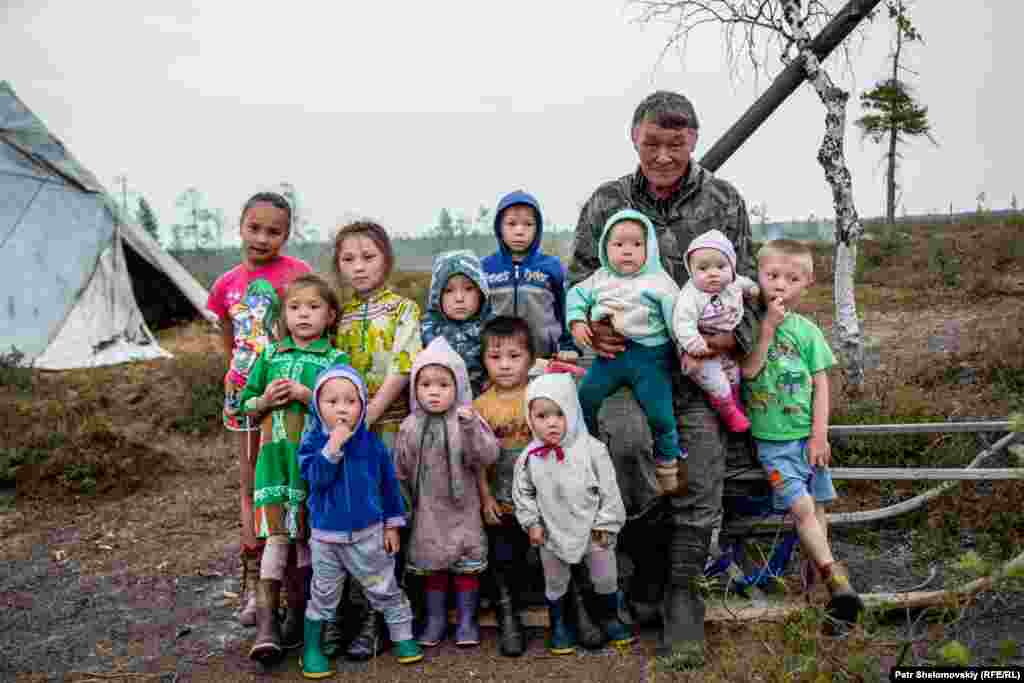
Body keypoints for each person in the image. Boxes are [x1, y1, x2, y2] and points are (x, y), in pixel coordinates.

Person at [567, 90, 757, 665]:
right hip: (626, 371)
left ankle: (682, 594)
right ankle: (643, 575)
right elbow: (579, 280)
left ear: (694, 141)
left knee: (702, 467)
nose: (664, 155)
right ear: (634, 138)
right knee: (626, 447)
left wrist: (729, 341)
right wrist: (591, 330)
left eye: (677, 144)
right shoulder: (607, 201)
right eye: (652, 143)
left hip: (699, 374)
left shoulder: (724, 200)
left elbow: (749, 286)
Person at [740, 239, 863, 624]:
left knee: (817, 510)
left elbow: (821, 385)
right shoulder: (749, 326)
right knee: (801, 507)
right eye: (772, 275)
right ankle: (836, 578)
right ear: (758, 276)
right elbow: (749, 372)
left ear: (806, 284)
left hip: (807, 440)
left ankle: (818, 587)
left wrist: (819, 436)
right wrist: (767, 329)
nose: (780, 284)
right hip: (771, 447)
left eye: (792, 279)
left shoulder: (807, 332)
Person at [207, 191, 311, 628]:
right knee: (251, 483)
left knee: (291, 481)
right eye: (255, 228)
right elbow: (227, 334)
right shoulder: (225, 284)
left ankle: (298, 582)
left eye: (274, 231)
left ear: (286, 235)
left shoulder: (298, 274)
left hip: (287, 390)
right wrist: (238, 375)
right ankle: (256, 583)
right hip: (245, 395)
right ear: (240, 225)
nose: (262, 238)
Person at [238, 273, 348, 664]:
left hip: (313, 466)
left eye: (313, 307)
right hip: (273, 465)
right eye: (295, 307)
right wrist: (265, 400)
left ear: (330, 316)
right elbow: (244, 405)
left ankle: (301, 618)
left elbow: (346, 407)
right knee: (277, 538)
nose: (303, 314)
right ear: (284, 314)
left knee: (306, 539)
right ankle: (268, 626)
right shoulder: (270, 356)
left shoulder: (334, 360)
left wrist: (309, 395)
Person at [331, 219, 423, 659]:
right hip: (346, 433)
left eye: (368, 257)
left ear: (385, 259)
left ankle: (381, 616)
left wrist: (369, 413)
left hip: (388, 427)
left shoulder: (404, 310)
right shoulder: (339, 316)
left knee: (390, 515)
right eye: (348, 259)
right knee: (355, 515)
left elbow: (403, 364)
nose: (359, 266)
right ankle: (349, 610)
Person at [297, 362, 424, 677]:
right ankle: (312, 649)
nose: (342, 409)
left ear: (363, 405)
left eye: (351, 401)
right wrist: (332, 448)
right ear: (318, 406)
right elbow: (316, 479)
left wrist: (392, 525)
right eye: (332, 401)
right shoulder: (312, 444)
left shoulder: (372, 445)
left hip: (368, 533)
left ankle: (403, 637)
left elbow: (388, 487)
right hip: (327, 538)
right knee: (324, 594)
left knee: (384, 586)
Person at [512, 373, 634, 655]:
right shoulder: (530, 457)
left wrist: (607, 523)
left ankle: (609, 617)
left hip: (594, 529)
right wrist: (532, 523)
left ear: (572, 411)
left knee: (605, 576)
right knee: (555, 581)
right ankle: (559, 623)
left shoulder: (592, 450)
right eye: (542, 416)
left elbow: (609, 490)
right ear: (530, 418)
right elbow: (523, 493)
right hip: (552, 531)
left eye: (559, 414)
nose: (552, 422)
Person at [566, 208, 684, 496]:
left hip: (649, 358)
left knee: (661, 414)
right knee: (585, 398)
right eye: (618, 244)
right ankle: (588, 449)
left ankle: (667, 464)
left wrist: (683, 348)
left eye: (636, 244)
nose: (627, 251)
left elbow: (677, 318)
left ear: (649, 248)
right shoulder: (600, 277)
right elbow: (576, 295)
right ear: (605, 248)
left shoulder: (659, 281)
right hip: (610, 356)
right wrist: (578, 321)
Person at [393, 337, 499, 648]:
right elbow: (401, 469)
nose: (434, 392)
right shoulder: (410, 426)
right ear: (415, 388)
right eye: (425, 384)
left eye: (443, 384)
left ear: (459, 386)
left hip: (463, 506)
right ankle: (436, 619)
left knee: (466, 562)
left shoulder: (466, 420)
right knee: (433, 564)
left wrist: (471, 428)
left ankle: (466, 619)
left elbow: (486, 456)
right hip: (428, 508)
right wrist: (403, 507)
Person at [472, 316, 536, 656]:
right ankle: (507, 613)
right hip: (500, 498)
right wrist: (485, 499)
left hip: (539, 498)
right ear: (484, 361)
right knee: (502, 553)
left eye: (514, 356)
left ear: (530, 358)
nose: (505, 365)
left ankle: (567, 607)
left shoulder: (538, 397)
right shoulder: (480, 406)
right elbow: (478, 462)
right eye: (495, 357)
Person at [673, 228, 761, 433]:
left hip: (730, 343)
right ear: (691, 271)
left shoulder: (733, 282)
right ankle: (728, 412)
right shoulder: (690, 296)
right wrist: (696, 346)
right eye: (703, 268)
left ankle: (734, 402)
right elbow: (682, 324)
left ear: (731, 267)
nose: (713, 273)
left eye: (721, 266)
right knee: (716, 382)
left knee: (734, 375)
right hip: (704, 348)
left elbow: (745, 283)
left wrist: (751, 289)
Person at [482, 190, 577, 362]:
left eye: (528, 224)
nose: (519, 231)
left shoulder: (552, 266)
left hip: (546, 358)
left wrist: (568, 345)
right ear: (499, 228)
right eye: (511, 224)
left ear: (537, 228)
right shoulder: (485, 268)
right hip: (500, 361)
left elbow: (564, 310)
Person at [421, 249, 493, 397]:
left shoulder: (495, 328)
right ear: (436, 295)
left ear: (481, 291)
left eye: (468, 289)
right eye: (448, 290)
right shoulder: (424, 331)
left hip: (485, 404)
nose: (459, 298)